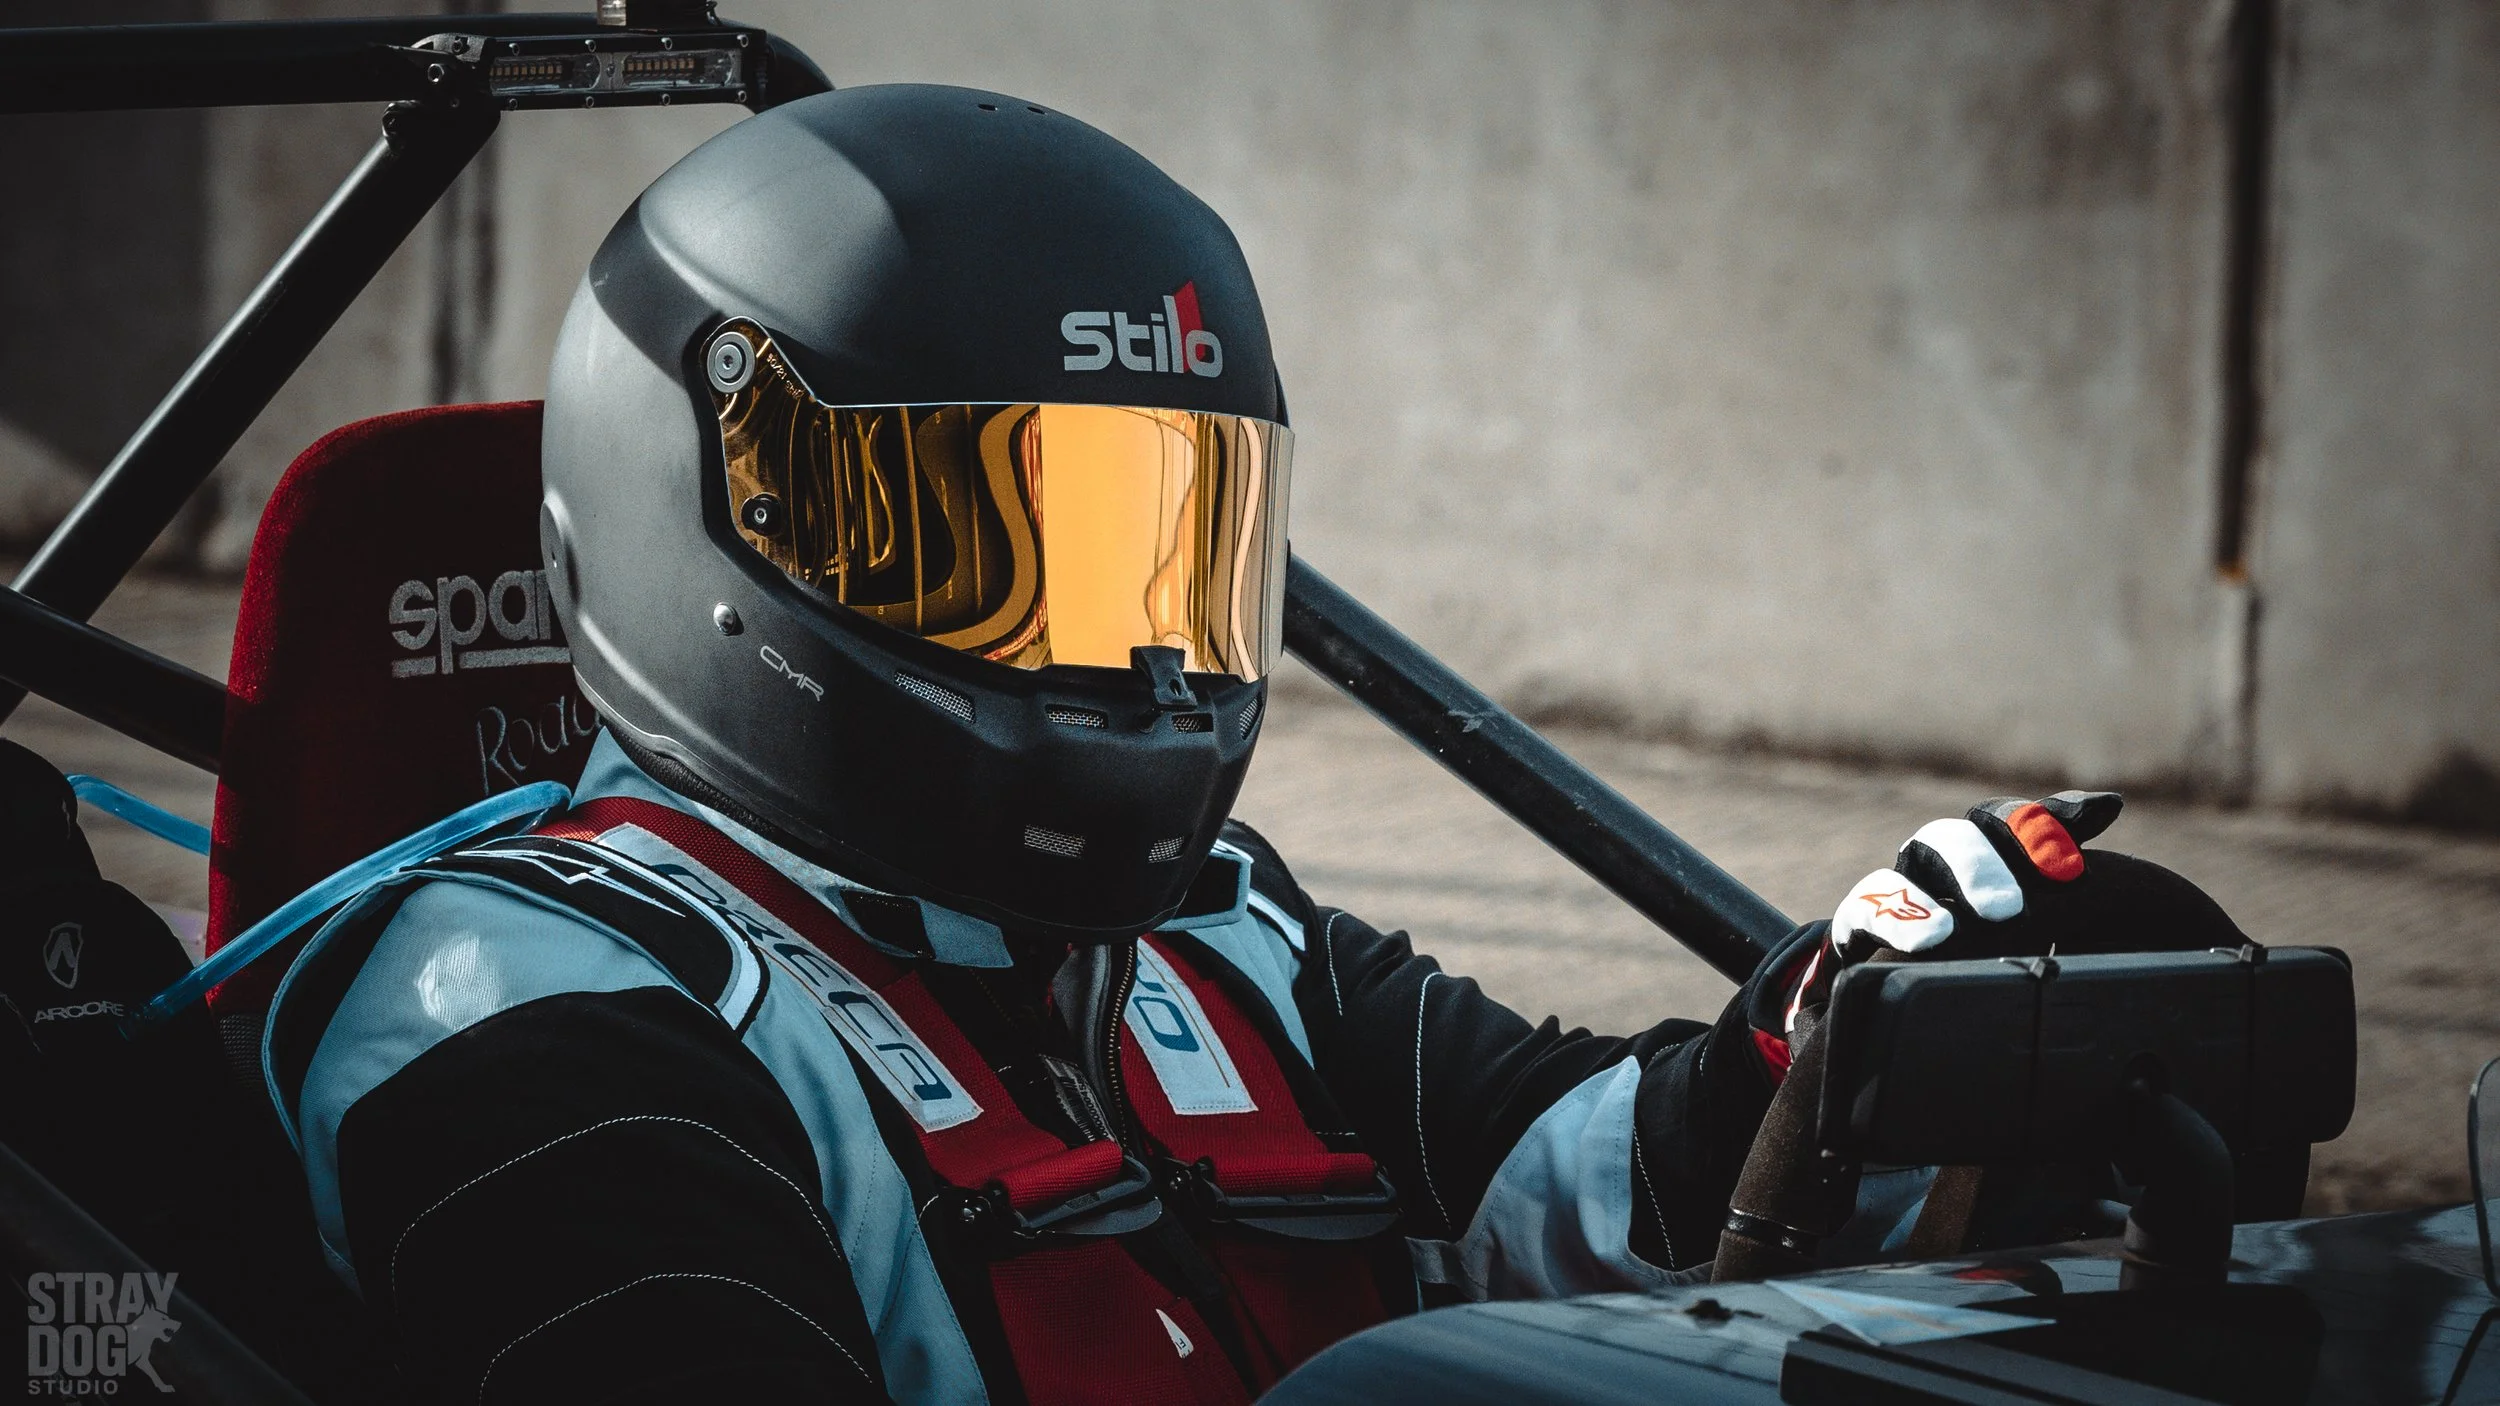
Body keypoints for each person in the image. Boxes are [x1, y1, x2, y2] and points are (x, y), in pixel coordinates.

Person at [260, 85, 2253, 1405]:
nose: (1130, 650)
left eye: (1164, 539)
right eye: (998, 544)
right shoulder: (520, 1015)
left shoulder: (1207, 935)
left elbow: (1568, 1179)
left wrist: (1838, 1042)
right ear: (712, 519)